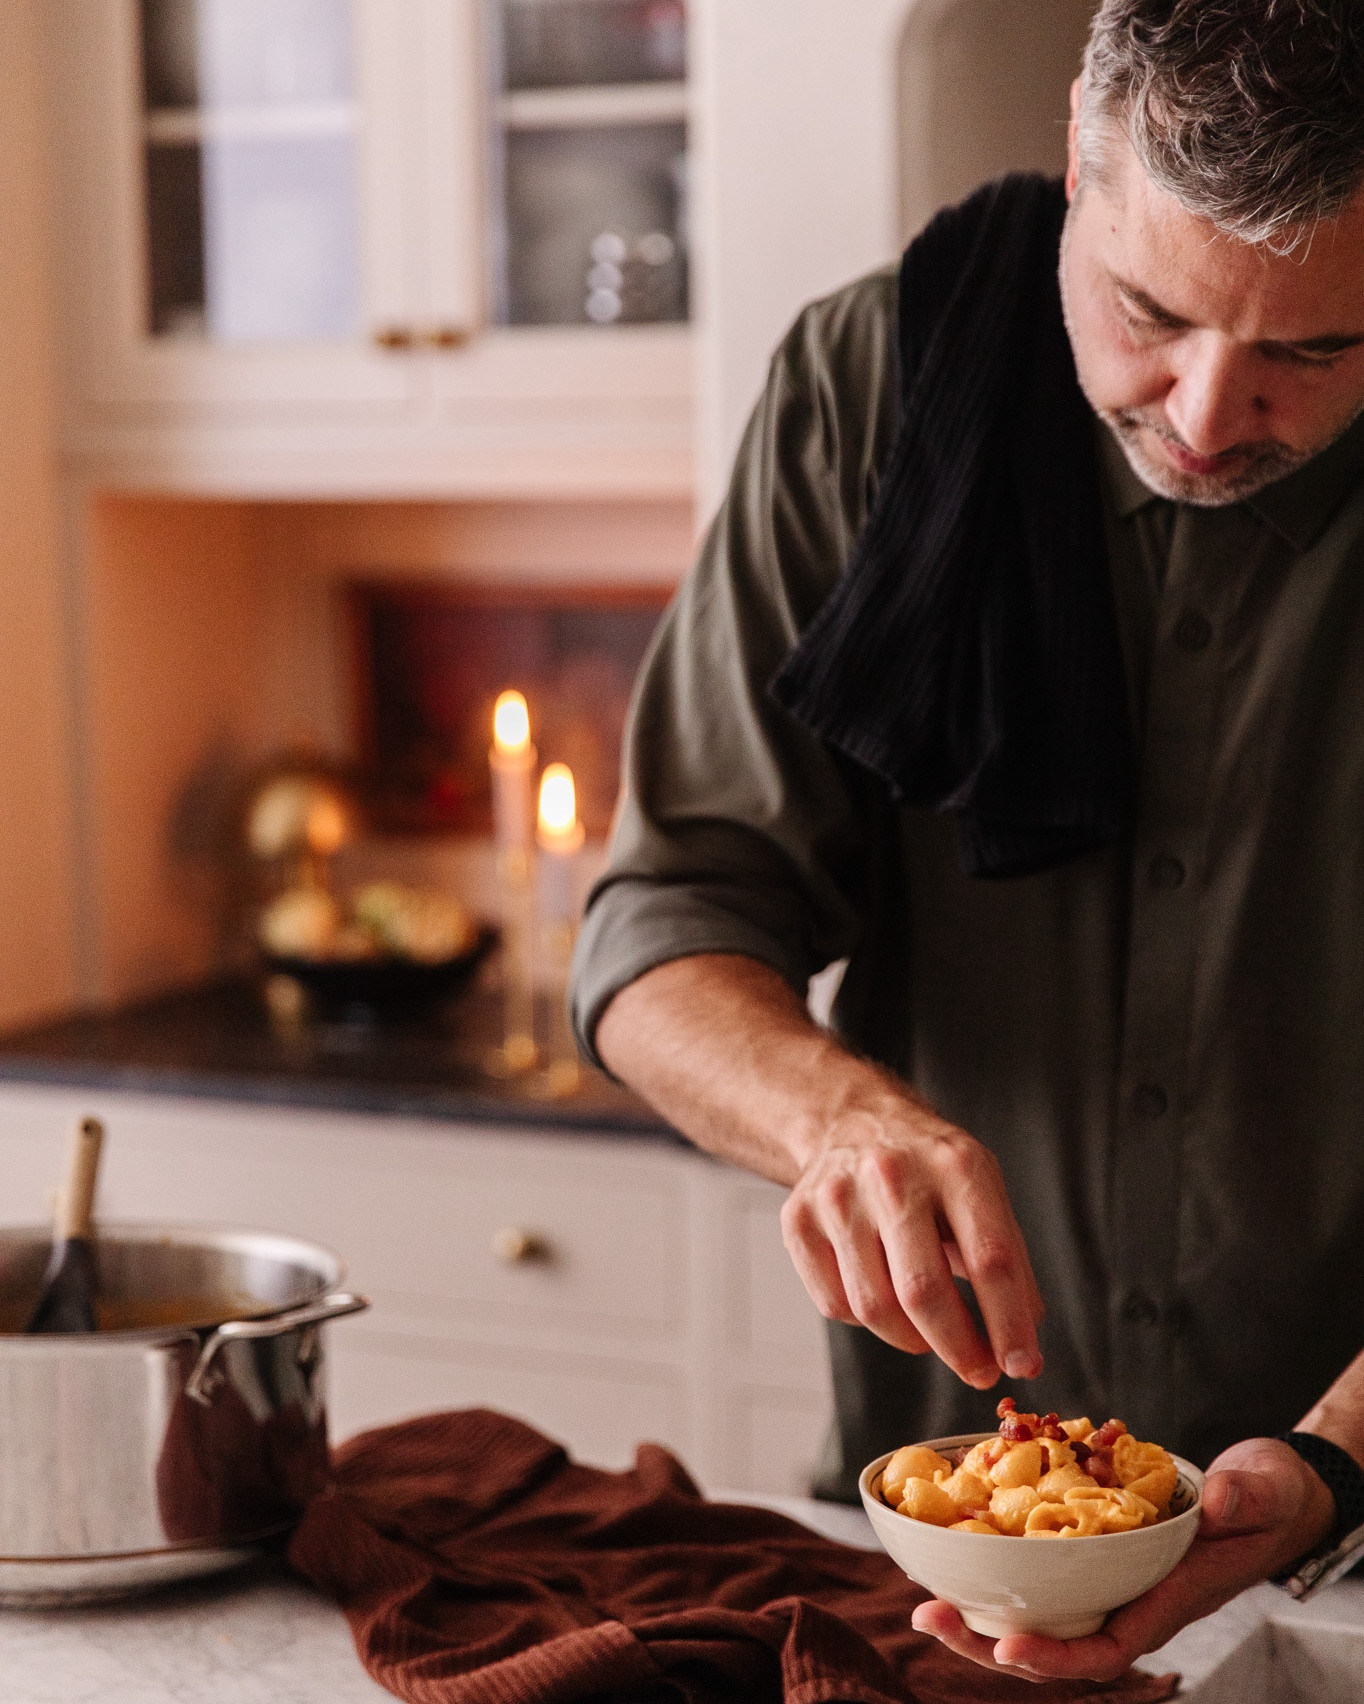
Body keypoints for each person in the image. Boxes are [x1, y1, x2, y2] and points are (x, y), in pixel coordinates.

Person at [570, 0, 1364, 1682]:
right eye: (1149, 312)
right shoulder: (867, 387)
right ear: (1080, 149)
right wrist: (831, 1115)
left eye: (1317, 351)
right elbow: (664, 922)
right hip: (943, 1563)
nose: (1212, 415)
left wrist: (1334, 1466)